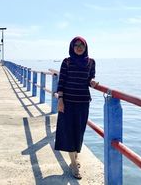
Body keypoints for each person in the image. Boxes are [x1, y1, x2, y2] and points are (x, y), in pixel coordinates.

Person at [54, 36, 98, 179]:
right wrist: (60, 99)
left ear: (86, 47)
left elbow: (90, 77)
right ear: (72, 47)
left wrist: (92, 82)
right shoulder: (67, 62)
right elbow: (61, 82)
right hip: (67, 102)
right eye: (76, 45)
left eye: (82, 45)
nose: (79, 47)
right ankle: (73, 163)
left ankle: (75, 157)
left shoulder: (91, 62)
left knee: (79, 132)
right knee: (68, 131)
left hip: (83, 102)